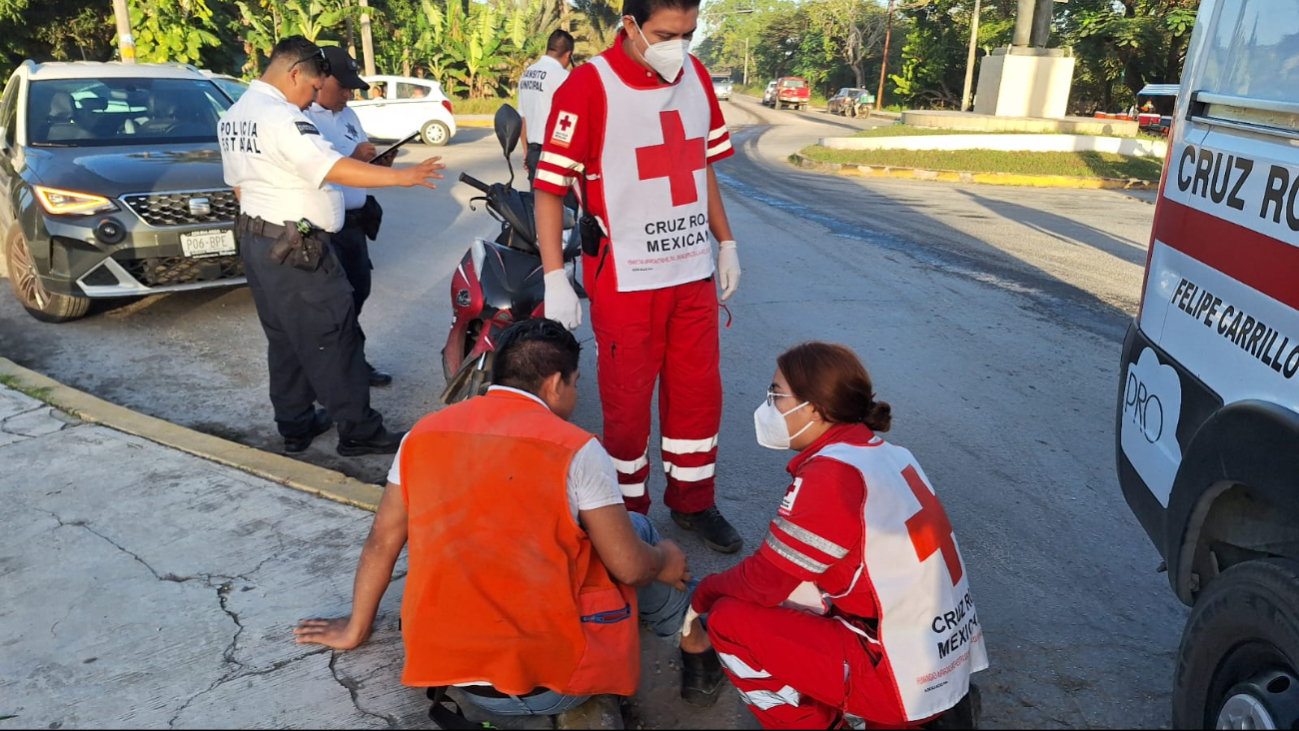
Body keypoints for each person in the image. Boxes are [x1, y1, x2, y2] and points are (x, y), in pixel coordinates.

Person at [294, 318, 726, 720]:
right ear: (557, 384)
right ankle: (696, 645)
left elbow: (382, 541)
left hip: (450, 675)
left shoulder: (422, 434)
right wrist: (665, 560)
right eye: (575, 384)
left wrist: (355, 628)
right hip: (548, 685)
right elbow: (630, 566)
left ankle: (691, 638)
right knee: (638, 533)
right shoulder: (574, 447)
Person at [531, 0, 744, 555]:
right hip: (627, 275)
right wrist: (555, 275)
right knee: (626, 405)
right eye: (665, 34)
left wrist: (726, 241)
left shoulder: (694, 76)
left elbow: (699, 170)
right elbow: (550, 187)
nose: (678, 45)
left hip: (691, 272)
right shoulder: (588, 85)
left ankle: (694, 500)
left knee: (699, 397)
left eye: (688, 33)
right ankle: (626, 515)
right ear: (629, 26)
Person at [687, 343, 988, 729]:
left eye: (777, 394)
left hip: (896, 673)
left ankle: (829, 723)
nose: (768, 405)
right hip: (941, 657)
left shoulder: (832, 475)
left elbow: (763, 581)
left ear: (814, 409)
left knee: (729, 619)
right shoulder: (887, 454)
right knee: (798, 591)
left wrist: (704, 594)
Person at [219, 36, 444, 456]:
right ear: (294, 74)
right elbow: (330, 166)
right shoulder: (281, 117)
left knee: (285, 339)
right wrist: (403, 177)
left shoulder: (234, 115)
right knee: (333, 337)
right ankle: (359, 431)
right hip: (296, 248)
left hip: (258, 242)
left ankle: (296, 424)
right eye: (310, 88)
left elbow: (237, 184)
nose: (310, 100)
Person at [305, 46, 393, 388]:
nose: (348, 94)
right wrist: (354, 158)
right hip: (325, 227)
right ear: (320, 78)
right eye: (342, 87)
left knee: (358, 293)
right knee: (334, 305)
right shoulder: (303, 117)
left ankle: (352, 361)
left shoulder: (347, 114)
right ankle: (332, 371)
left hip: (355, 223)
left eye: (352, 88)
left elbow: (361, 160)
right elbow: (321, 169)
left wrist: (377, 161)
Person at [519, 29, 574, 188]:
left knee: (537, 208)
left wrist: (526, 152)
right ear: (568, 55)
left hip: (534, 153)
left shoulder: (527, 74)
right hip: (556, 156)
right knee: (564, 210)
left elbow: (523, 118)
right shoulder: (563, 76)